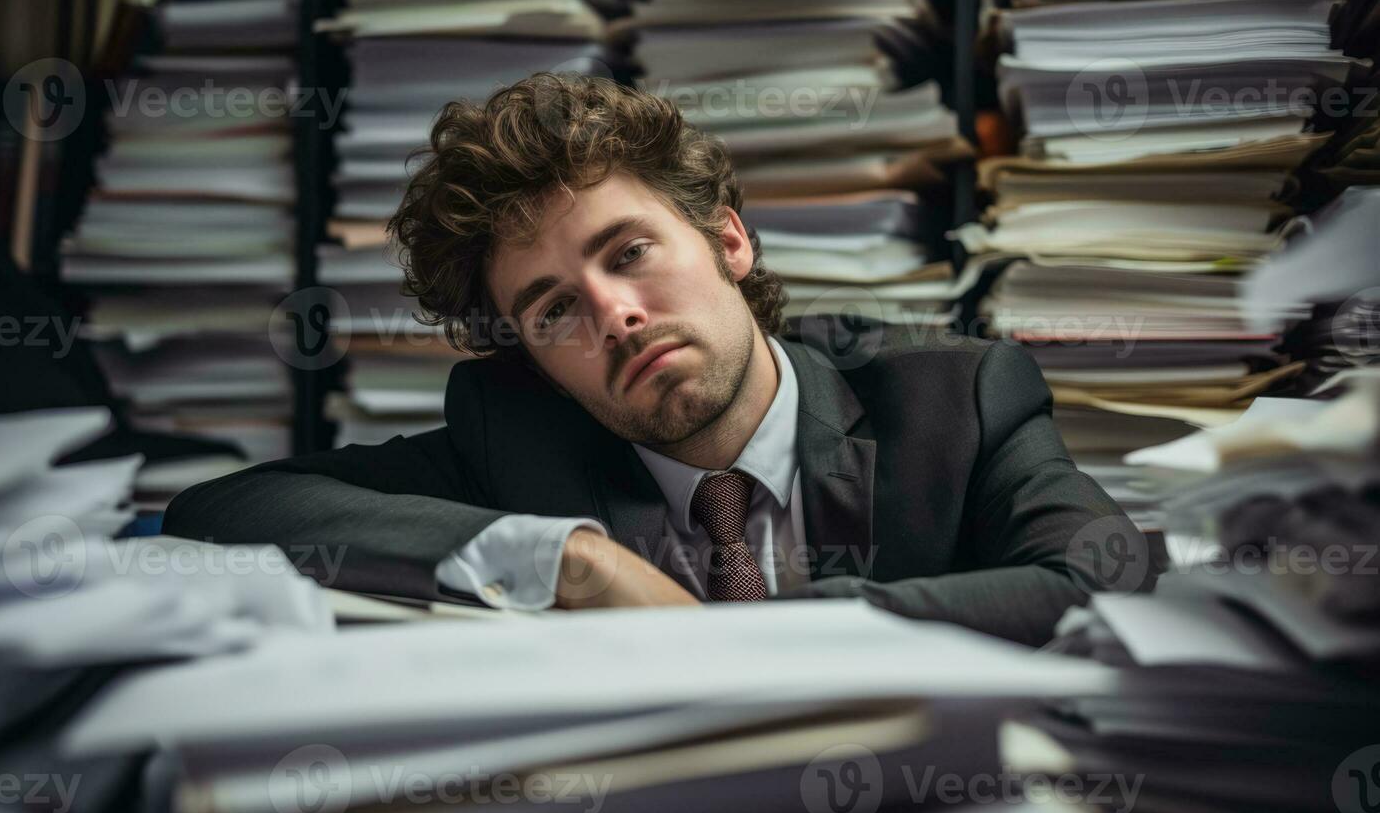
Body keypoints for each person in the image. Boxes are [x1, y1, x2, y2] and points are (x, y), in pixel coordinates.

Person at [164, 74, 1153, 645]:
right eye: (554, 308)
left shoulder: (955, 398)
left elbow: (1106, 577)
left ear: (729, 239)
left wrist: (782, 636)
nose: (614, 315)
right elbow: (218, 510)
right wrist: (573, 561)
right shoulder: (514, 442)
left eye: (627, 252)